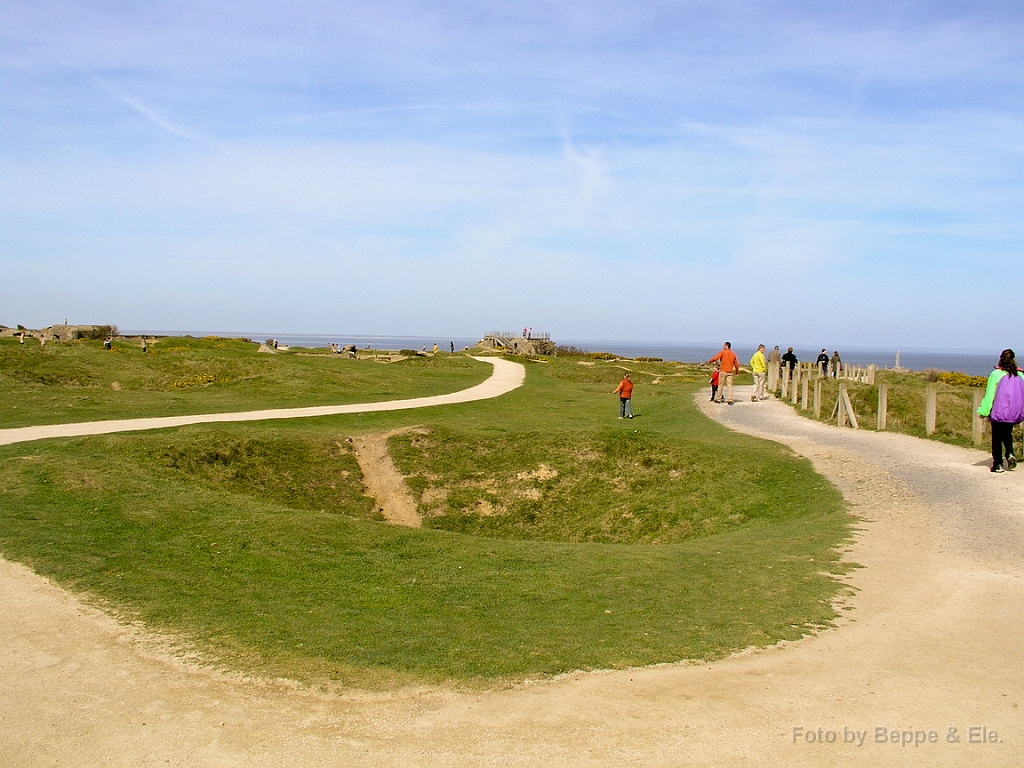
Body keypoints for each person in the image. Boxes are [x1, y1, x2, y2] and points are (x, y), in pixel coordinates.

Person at [977, 349, 1024, 473]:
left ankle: (997, 464)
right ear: (1013, 359)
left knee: (997, 437)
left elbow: (990, 394)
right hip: (1014, 412)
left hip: (998, 411)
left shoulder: (996, 374)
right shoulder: (1020, 374)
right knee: (1007, 434)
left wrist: (983, 411)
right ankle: (1009, 453)